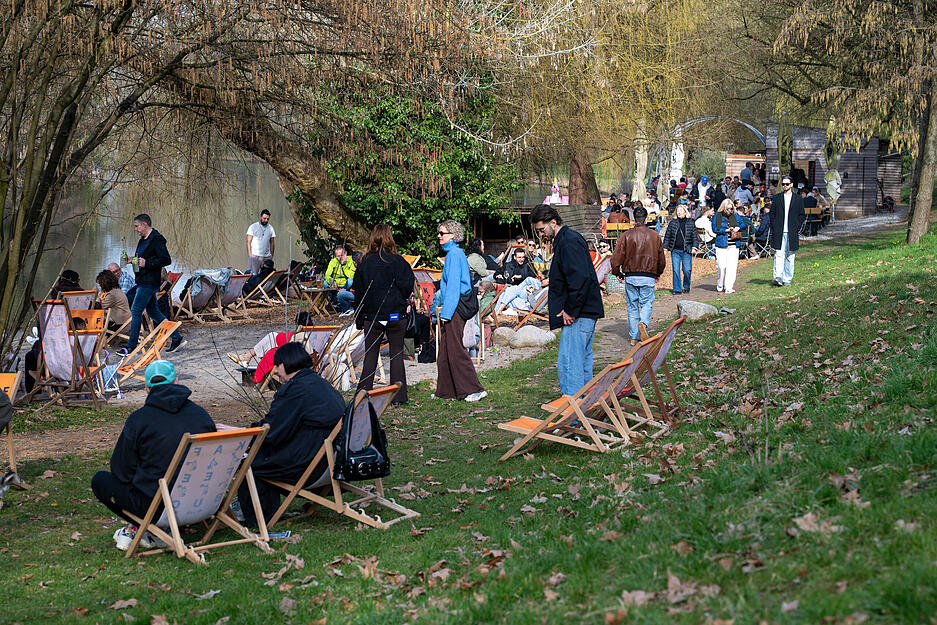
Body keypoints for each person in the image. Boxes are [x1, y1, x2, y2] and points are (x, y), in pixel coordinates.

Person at [91, 361, 215, 550]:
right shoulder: (201, 415)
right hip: (203, 500)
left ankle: (148, 528)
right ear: (176, 382)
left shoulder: (139, 420)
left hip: (156, 508)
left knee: (101, 480)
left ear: (147, 389)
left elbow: (120, 471)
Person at [237, 343, 345, 528]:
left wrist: (243, 434)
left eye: (277, 365)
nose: (275, 371)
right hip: (334, 460)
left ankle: (257, 516)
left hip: (310, 465)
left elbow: (272, 431)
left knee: (249, 460)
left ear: (286, 363)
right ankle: (260, 509)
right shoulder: (320, 384)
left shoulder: (295, 390)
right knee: (262, 454)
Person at [529, 204, 604, 396]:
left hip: (579, 314)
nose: (541, 235)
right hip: (584, 311)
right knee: (581, 363)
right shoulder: (567, 240)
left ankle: (573, 409)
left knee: (570, 365)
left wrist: (571, 310)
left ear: (553, 222)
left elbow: (579, 279)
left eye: (542, 230)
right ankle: (586, 405)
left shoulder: (569, 241)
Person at [353, 224, 415, 405]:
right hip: (395, 314)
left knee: (370, 356)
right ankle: (399, 397)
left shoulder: (365, 263)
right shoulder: (398, 261)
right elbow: (408, 286)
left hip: (372, 316)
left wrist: (359, 316)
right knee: (396, 355)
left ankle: (362, 395)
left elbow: (359, 291)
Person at [433, 220, 486, 402]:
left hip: (455, 308)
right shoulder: (453, 254)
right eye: (439, 233)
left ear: (453, 235)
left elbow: (454, 287)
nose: (439, 236)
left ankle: (474, 389)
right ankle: (446, 391)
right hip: (453, 307)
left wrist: (446, 314)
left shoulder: (454, 255)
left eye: (442, 233)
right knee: (445, 352)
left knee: (456, 350)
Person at [124, 214, 185, 353]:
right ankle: (177, 338)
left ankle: (131, 347)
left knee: (136, 310)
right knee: (153, 312)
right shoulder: (142, 240)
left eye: (137, 226)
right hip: (142, 280)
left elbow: (166, 260)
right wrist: (132, 260)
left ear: (144, 224)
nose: (135, 229)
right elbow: (141, 259)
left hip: (149, 282)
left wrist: (148, 263)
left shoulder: (157, 239)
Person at [610, 206, 665, 345]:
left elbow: (616, 257)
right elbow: (661, 258)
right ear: (646, 218)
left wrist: (617, 272)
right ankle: (643, 323)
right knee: (646, 303)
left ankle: (634, 337)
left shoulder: (626, 235)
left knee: (632, 306)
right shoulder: (655, 236)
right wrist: (658, 273)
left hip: (631, 275)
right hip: (648, 275)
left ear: (634, 218)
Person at [771, 175, 806, 287]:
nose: (785, 186)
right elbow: (772, 214)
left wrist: (796, 226)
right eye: (783, 184)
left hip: (792, 231)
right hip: (779, 231)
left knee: (790, 257)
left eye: (787, 184)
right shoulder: (777, 198)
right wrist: (775, 226)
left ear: (791, 185)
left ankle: (787, 279)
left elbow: (802, 215)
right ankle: (778, 277)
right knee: (779, 254)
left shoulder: (798, 198)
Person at [662, 204, 700, 295]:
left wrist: (694, 247)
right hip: (675, 250)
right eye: (677, 211)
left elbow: (694, 236)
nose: (679, 212)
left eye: (681, 210)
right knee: (676, 270)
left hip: (686, 250)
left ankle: (686, 286)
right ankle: (677, 289)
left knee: (687, 270)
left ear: (685, 212)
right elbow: (667, 236)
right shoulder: (673, 223)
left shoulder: (690, 222)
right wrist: (665, 248)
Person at [712, 199, 745, 293]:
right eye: (727, 209)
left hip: (733, 244)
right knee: (721, 266)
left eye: (731, 208)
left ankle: (728, 287)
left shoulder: (735, 215)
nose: (729, 211)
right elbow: (715, 229)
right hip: (721, 244)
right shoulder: (717, 216)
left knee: (732, 267)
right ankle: (720, 283)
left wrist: (738, 227)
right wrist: (725, 230)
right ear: (723, 208)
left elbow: (743, 224)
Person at [324, 244, 356, 315]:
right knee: (325, 283)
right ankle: (335, 302)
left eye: (341, 255)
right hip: (336, 284)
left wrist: (344, 265)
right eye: (338, 256)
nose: (340, 258)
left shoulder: (350, 261)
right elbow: (327, 275)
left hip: (346, 284)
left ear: (345, 253)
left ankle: (342, 295)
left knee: (350, 280)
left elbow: (352, 275)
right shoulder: (333, 261)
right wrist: (332, 281)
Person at [246, 209, 276, 275]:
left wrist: (271, 255)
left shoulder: (270, 228)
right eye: (264, 218)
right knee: (253, 275)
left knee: (266, 276)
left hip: (267, 257)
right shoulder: (253, 227)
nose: (266, 220)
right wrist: (250, 255)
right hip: (255, 256)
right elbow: (248, 241)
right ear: (260, 217)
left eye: (268, 219)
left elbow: (272, 242)